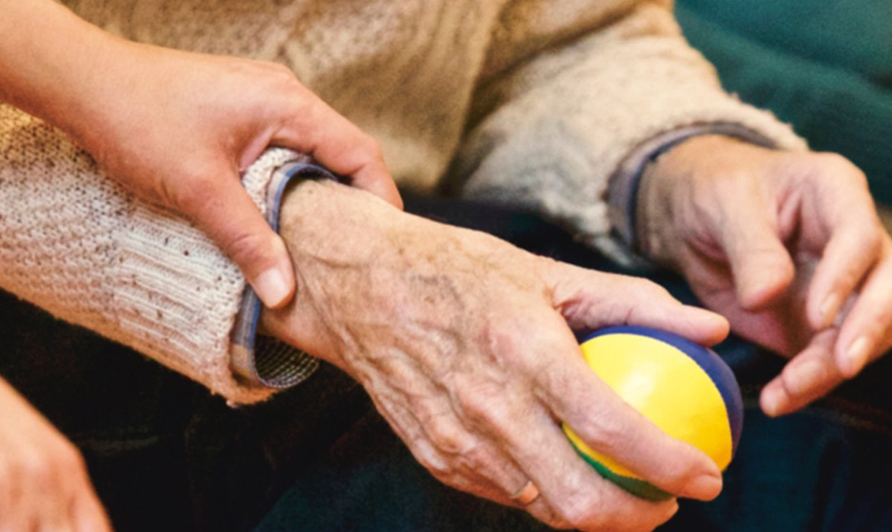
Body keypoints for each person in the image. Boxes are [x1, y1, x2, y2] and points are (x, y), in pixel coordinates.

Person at [1, 1, 890, 531]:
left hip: (404, 214)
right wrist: (308, 251)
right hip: (90, 296)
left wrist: (681, 170)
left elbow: (549, 37)